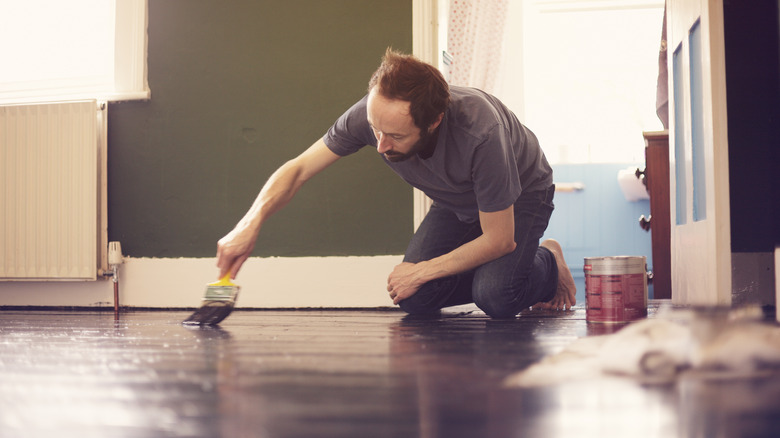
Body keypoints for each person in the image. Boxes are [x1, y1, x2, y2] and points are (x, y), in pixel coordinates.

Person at [216, 49, 576, 318]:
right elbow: (298, 169)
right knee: (414, 298)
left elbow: (499, 238)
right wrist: (249, 224)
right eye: (375, 131)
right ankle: (501, 272)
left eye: (394, 136)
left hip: (521, 194)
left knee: (496, 297)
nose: (380, 145)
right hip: (456, 201)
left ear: (434, 121)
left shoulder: (481, 132)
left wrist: (423, 270)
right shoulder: (376, 115)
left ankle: (546, 261)